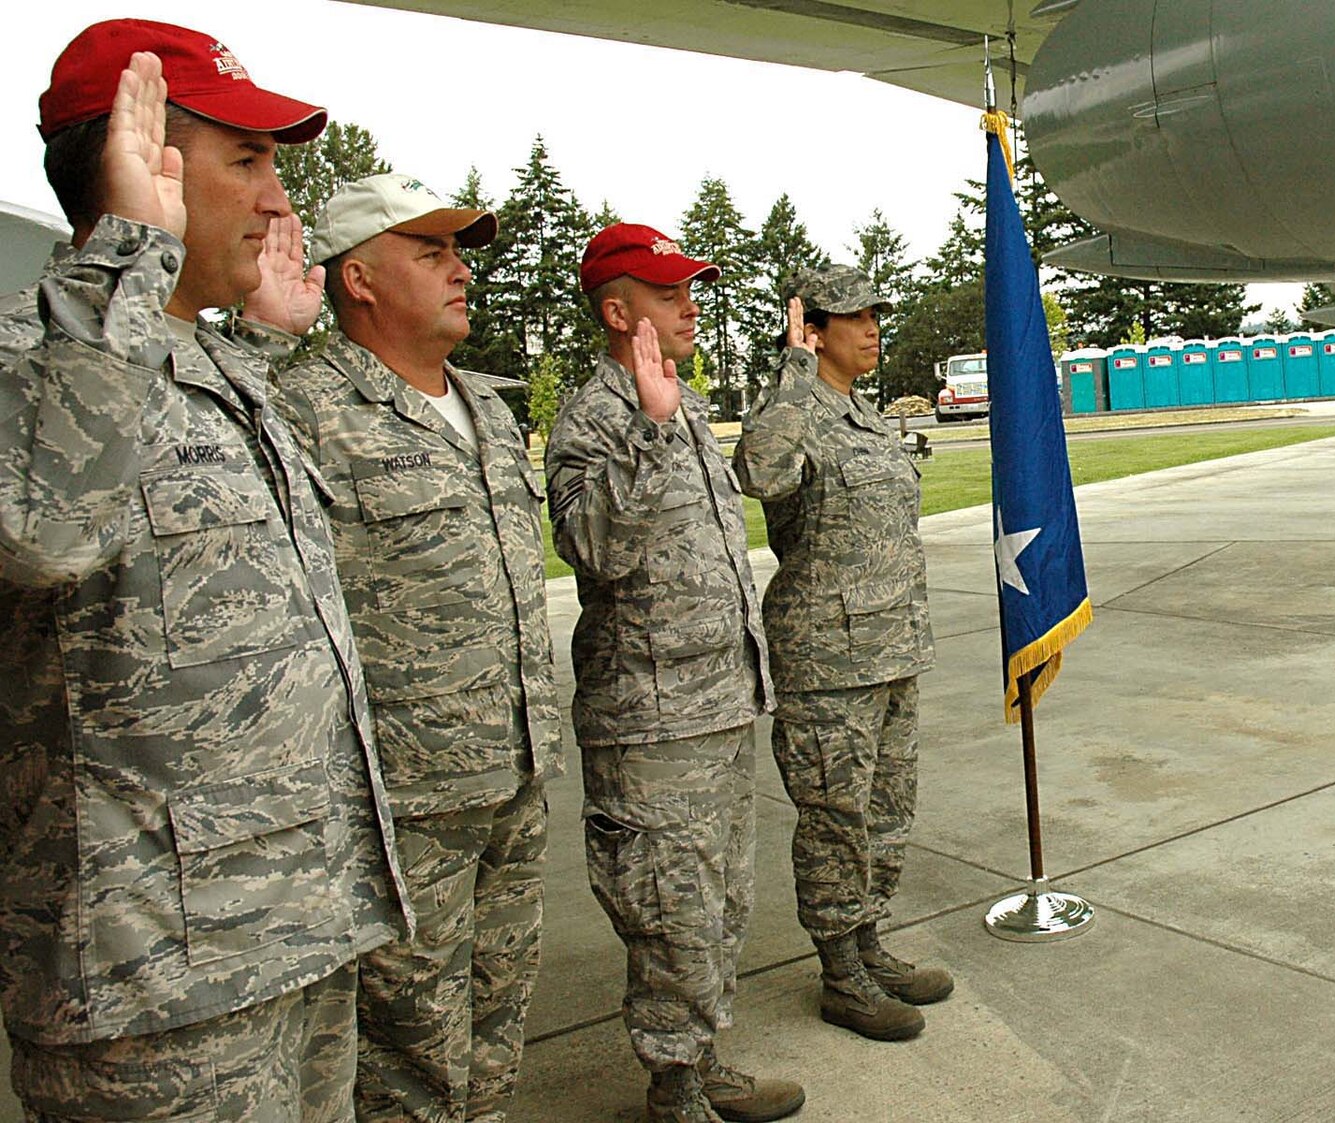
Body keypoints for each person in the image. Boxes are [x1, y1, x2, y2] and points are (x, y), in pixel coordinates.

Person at [0, 19, 407, 1122]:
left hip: (300, 934)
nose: (282, 201)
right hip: (157, 988)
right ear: (149, 168)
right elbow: (38, 528)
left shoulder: (204, 362)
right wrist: (129, 252)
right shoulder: (36, 354)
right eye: (250, 161)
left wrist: (262, 335)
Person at [272, 173, 562, 1123]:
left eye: (460, 249)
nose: (459, 269)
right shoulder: (304, 407)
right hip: (403, 799)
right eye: (430, 251)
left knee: (498, 1011)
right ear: (358, 278)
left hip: (515, 768)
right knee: (408, 1048)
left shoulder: (487, 404)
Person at [546, 222, 804, 1123]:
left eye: (691, 288)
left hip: (719, 701)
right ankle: (674, 1087)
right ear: (619, 312)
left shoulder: (685, 404)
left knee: (720, 898)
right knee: (668, 907)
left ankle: (701, 1058)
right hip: (651, 720)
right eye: (668, 292)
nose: (690, 305)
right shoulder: (599, 413)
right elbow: (592, 549)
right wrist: (651, 431)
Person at [732, 265, 952, 1043]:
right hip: (828, 660)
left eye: (874, 314)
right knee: (835, 819)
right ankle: (839, 973)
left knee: (887, 811)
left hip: (890, 648)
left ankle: (867, 941)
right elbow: (758, 472)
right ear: (811, 329)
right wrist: (792, 370)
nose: (872, 328)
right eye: (852, 317)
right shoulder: (794, 411)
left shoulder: (863, 413)